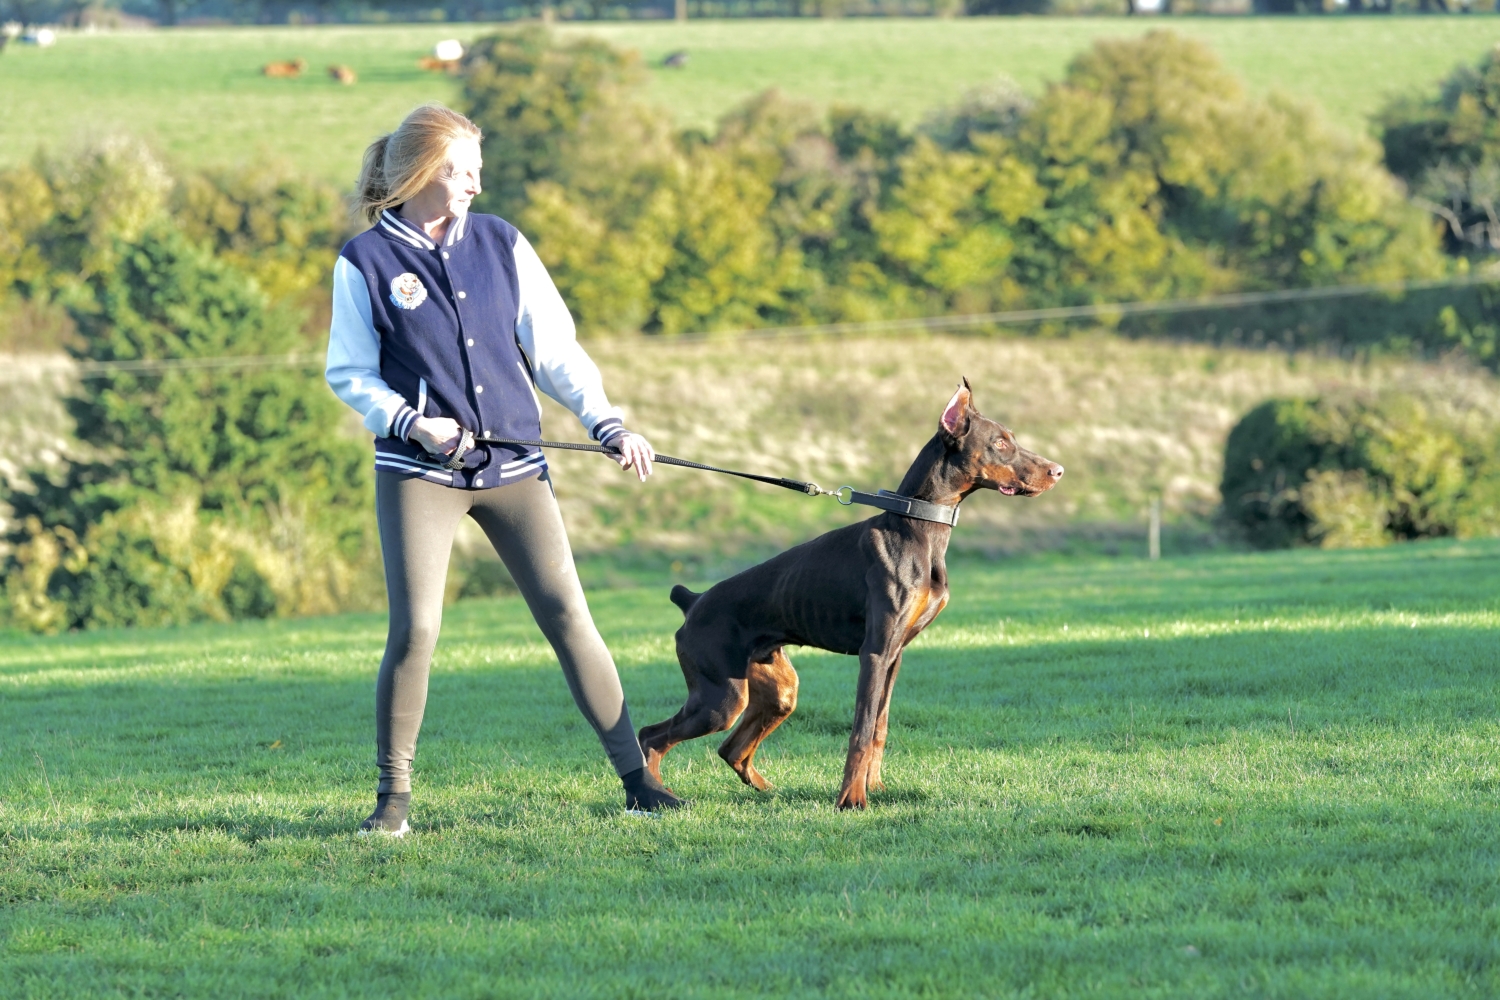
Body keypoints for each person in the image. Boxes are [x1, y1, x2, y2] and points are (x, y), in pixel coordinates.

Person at [325, 103, 684, 836]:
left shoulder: (502, 244)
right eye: (461, 172)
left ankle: (637, 781)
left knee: (568, 616)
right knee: (416, 630)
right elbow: (350, 374)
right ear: (423, 171)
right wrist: (411, 421)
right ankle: (393, 801)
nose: (473, 187)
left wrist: (606, 421)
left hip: (514, 463)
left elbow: (554, 349)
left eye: (476, 173)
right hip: (418, 470)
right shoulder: (363, 263)